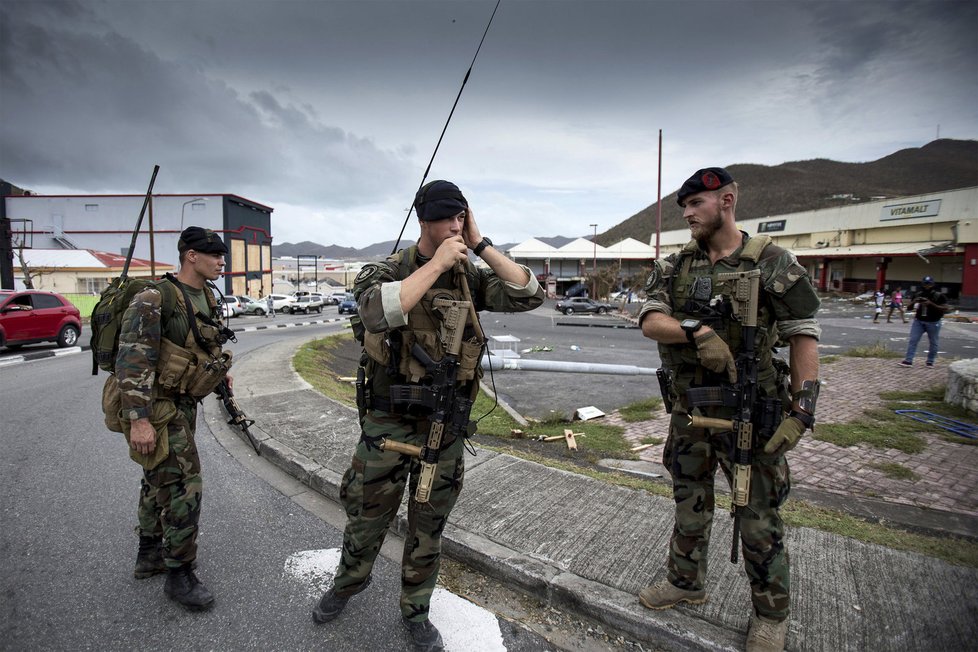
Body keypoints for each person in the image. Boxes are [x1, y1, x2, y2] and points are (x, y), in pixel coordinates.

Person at [312, 180, 544, 650]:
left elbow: (528, 294)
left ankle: (416, 609)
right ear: (424, 220)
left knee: (428, 525)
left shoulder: (469, 276)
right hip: (389, 419)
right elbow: (376, 312)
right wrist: (437, 263)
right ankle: (347, 584)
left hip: (445, 422)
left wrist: (480, 245)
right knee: (367, 515)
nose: (456, 227)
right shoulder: (387, 268)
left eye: (462, 218)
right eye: (449, 219)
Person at [637, 168, 821, 652]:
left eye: (697, 202)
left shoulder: (776, 263)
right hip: (692, 411)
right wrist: (698, 332)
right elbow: (652, 322)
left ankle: (771, 614)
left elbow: (804, 335)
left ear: (728, 200)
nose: (688, 212)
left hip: (752, 412)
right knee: (688, 500)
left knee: (758, 515)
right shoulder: (675, 266)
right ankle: (685, 581)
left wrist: (802, 412)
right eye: (684, 205)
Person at [115, 226, 234, 611]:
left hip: (185, 403)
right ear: (190, 256)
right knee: (185, 483)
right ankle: (179, 573)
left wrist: (218, 373)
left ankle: (148, 554)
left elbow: (202, 343)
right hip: (158, 406)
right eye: (214, 255)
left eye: (222, 256)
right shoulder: (155, 298)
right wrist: (138, 419)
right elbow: (132, 360)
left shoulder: (207, 297)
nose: (221, 261)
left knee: (157, 477)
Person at [899, 276, 949, 367]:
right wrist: (914, 301)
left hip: (933, 321)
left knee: (933, 342)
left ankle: (930, 361)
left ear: (932, 284)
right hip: (919, 321)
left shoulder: (939, 295)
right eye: (925, 284)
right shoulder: (918, 294)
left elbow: (945, 308)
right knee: (913, 340)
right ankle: (908, 360)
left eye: (929, 284)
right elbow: (909, 309)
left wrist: (931, 304)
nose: (927, 286)